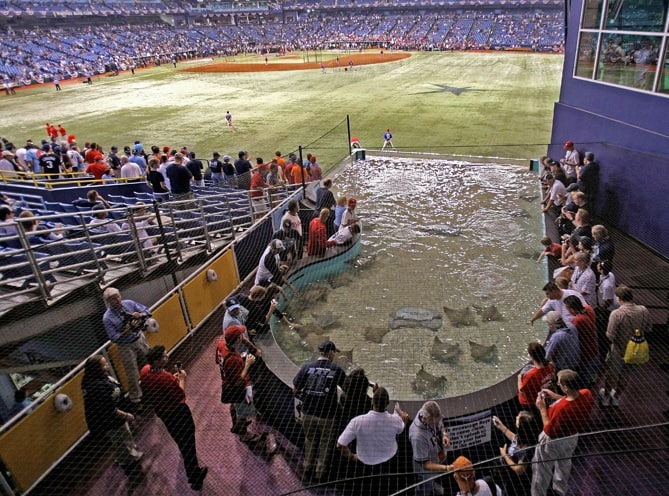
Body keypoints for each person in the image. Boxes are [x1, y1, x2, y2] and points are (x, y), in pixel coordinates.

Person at [140, 346, 208, 490]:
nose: (167, 357)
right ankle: (194, 476)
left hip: (164, 413)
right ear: (157, 361)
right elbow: (180, 395)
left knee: (179, 438)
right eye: (164, 356)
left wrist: (173, 379)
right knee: (188, 441)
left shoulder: (145, 371)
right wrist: (181, 379)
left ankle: (186, 457)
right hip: (177, 411)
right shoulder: (165, 377)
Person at [532, 369, 594, 496]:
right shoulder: (587, 394)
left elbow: (548, 429)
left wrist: (542, 408)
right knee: (564, 464)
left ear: (566, 388)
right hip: (572, 437)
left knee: (542, 469)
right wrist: (555, 396)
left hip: (553, 440)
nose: (559, 386)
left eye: (560, 384)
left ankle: (538, 493)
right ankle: (560, 491)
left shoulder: (561, 409)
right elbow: (572, 399)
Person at [336, 387, 409, 494]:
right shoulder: (395, 420)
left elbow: (340, 444)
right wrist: (404, 419)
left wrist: (352, 456)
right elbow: (401, 428)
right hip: (390, 463)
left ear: (372, 401)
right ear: (388, 403)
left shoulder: (357, 421)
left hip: (365, 464)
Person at [81, 355, 144, 478]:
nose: (107, 366)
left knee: (124, 436)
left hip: (116, 415)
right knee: (120, 439)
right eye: (104, 365)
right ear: (96, 368)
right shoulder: (96, 387)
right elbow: (108, 409)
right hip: (110, 420)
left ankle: (129, 451)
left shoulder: (101, 378)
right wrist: (126, 415)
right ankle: (129, 462)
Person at [293, 340, 346, 482]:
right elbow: (347, 388)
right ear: (330, 354)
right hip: (327, 416)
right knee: (325, 443)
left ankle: (307, 467)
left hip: (308, 413)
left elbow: (295, 389)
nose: (334, 355)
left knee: (309, 440)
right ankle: (319, 474)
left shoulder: (306, 367)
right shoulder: (336, 369)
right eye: (334, 353)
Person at [600, 286, 652, 407]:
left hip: (619, 350)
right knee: (626, 375)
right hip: (636, 350)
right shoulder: (643, 310)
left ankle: (606, 397)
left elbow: (610, 335)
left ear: (618, 298)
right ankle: (616, 397)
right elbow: (649, 328)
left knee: (612, 374)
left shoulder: (616, 314)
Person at [102, 287, 150, 405]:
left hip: (139, 338)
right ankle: (136, 399)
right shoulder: (107, 318)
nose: (117, 300)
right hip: (125, 346)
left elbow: (147, 311)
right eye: (112, 299)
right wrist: (127, 330)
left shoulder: (129, 303)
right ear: (108, 301)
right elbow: (114, 337)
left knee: (148, 364)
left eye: (117, 296)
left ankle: (152, 388)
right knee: (132, 373)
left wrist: (140, 315)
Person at [216, 325, 261, 442]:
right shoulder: (233, 360)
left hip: (226, 383)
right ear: (237, 340)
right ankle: (243, 433)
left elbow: (218, 361)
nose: (242, 336)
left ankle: (235, 423)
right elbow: (238, 381)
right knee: (242, 411)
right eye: (241, 335)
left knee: (234, 404)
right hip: (238, 388)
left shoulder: (221, 345)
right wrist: (247, 364)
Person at [409, 400, 454, 496]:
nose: (436, 424)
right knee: (424, 488)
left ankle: (434, 485)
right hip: (425, 471)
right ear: (425, 419)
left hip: (436, 458)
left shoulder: (431, 414)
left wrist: (444, 434)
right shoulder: (418, 436)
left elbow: (440, 423)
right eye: (433, 423)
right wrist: (446, 468)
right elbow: (424, 464)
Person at [492, 412, 538, 496]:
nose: (516, 417)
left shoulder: (528, 449)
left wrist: (504, 455)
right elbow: (514, 438)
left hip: (518, 483)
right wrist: (501, 426)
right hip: (509, 476)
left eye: (518, 418)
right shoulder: (522, 437)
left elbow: (519, 470)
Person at [564, 295, 598, 388]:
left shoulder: (577, 320)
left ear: (571, 308)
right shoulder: (588, 309)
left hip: (586, 353)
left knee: (584, 380)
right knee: (590, 374)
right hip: (594, 348)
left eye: (567, 308)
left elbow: (569, 336)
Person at [518, 342, 555, 410]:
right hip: (544, 396)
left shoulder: (530, 375)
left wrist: (519, 378)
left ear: (531, 357)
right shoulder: (551, 366)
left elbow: (522, 391)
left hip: (530, 402)